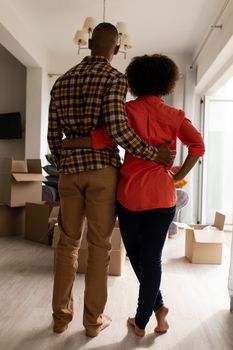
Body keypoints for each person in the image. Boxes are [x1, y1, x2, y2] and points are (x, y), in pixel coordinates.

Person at [47, 23, 174, 338]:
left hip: (69, 173)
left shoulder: (61, 81)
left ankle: (60, 319)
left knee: (66, 245)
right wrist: (151, 153)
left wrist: (66, 165)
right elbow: (117, 129)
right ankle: (92, 323)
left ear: (89, 43)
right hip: (103, 172)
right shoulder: (115, 78)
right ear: (116, 50)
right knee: (100, 247)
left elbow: (53, 137)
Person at [79, 54, 205, 337]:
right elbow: (198, 146)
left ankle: (141, 321)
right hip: (162, 197)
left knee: (138, 256)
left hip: (130, 197)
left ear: (135, 81)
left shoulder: (124, 111)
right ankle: (158, 310)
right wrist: (176, 173)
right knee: (151, 259)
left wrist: (71, 140)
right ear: (166, 82)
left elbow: (99, 139)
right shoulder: (175, 116)